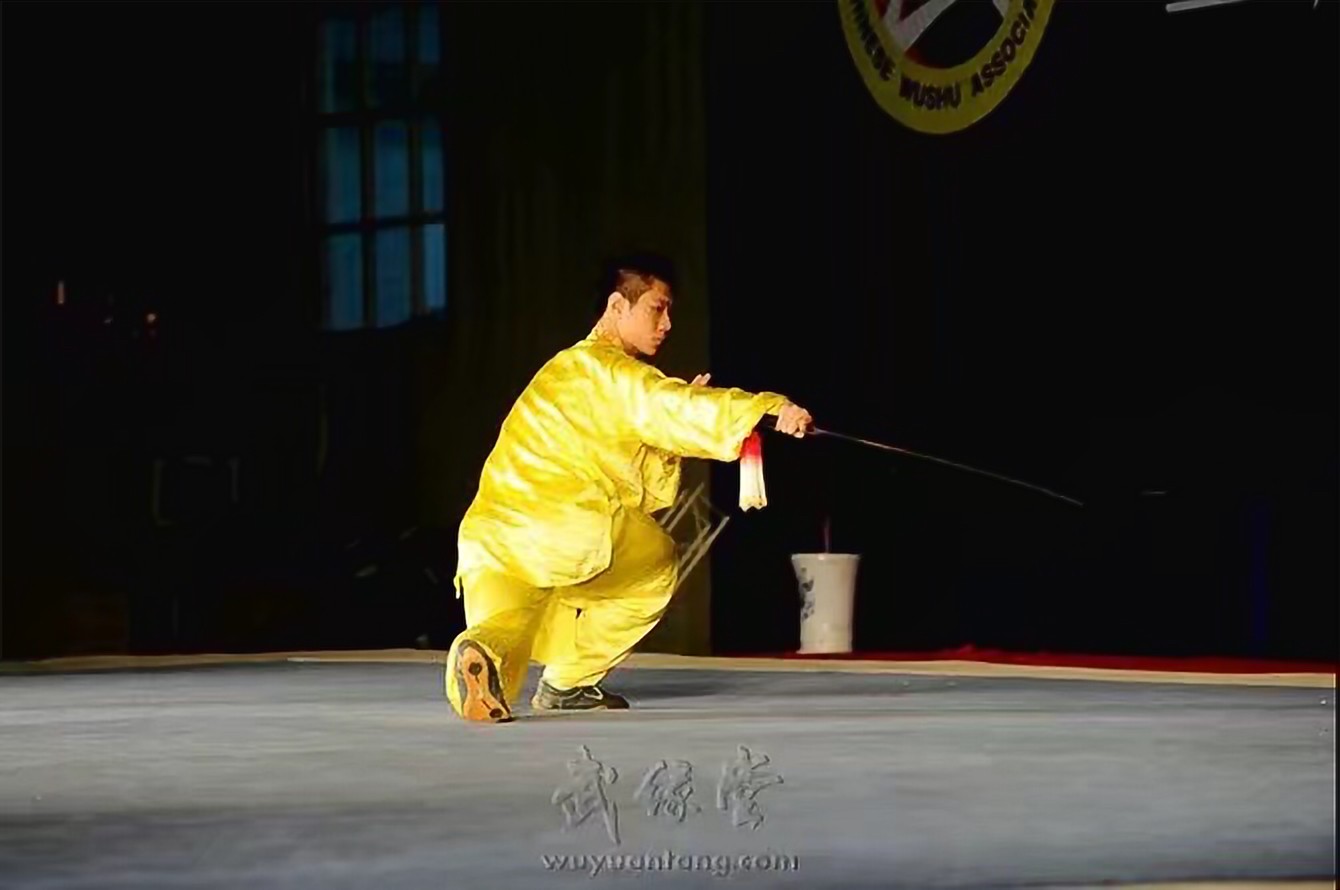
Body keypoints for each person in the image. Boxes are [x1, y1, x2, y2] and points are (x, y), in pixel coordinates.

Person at [446, 252, 813, 722]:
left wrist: (679, 416)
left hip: (489, 536)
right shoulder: (613, 372)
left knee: (505, 625)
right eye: (657, 308)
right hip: (563, 528)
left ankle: (481, 654)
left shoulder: (560, 369)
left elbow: (644, 438)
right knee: (655, 564)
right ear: (617, 306)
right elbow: (670, 409)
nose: (667, 324)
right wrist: (767, 411)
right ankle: (569, 681)